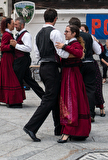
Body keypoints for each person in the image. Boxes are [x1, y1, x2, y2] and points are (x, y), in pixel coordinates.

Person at [23, 9, 68, 142]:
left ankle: (58, 128)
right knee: (49, 98)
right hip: (52, 67)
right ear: (55, 19)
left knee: (54, 97)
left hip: (43, 66)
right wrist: (71, 53)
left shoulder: (38, 34)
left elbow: (37, 54)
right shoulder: (55, 32)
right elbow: (61, 52)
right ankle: (31, 127)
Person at [55, 25, 91, 143]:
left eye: (67, 31)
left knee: (71, 101)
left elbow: (79, 52)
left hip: (72, 75)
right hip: (68, 74)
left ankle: (68, 131)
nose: (64, 33)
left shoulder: (74, 44)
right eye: (65, 31)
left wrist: (64, 47)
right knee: (70, 100)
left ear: (74, 33)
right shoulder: (70, 44)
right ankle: (73, 130)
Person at [0, 17, 25, 108]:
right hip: (7, 59)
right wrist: (12, 46)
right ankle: (11, 100)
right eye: (13, 23)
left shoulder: (8, 34)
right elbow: (3, 47)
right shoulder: (6, 34)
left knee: (4, 79)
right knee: (10, 78)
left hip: (9, 58)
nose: (14, 25)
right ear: (8, 24)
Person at [70, 19, 99, 122]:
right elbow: (99, 50)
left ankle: (78, 113)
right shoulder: (89, 36)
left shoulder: (73, 37)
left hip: (78, 64)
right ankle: (90, 113)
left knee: (77, 89)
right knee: (90, 89)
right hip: (90, 63)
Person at [10, 17, 45, 99]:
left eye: (16, 24)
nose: (15, 26)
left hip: (22, 60)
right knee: (29, 80)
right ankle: (43, 96)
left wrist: (16, 45)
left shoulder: (26, 35)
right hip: (20, 59)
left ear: (22, 25)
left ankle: (16, 99)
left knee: (17, 79)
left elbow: (28, 48)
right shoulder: (18, 35)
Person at [80, 24, 105, 118]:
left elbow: (99, 50)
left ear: (87, 32)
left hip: (90, 63)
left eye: (83, 30)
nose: (81, 32)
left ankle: (99, 106)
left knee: (96, 86)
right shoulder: (76, 38)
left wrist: (96, 41)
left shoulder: (90, 39)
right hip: (81, 64)